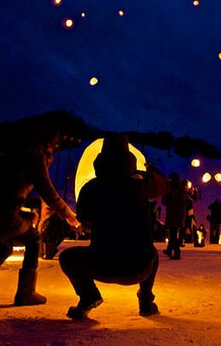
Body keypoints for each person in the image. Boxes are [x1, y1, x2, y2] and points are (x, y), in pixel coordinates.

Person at [0, 117, 78, 306]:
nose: (54, 148)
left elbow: (10, 188)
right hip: (0, 214)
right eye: (54, 144)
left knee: (3, 248)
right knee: (33, 238)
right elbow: (47, 191)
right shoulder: (34, 157)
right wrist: (69, 214)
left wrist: (25, 213)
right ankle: (26, 293)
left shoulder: (15, 153)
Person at [59, 133, 168, 319]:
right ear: (129, 156)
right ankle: (146, 300)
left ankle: (88, 296)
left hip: (100, 265)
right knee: (152, 252)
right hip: (139, 268)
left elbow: (84, 221)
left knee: (68, 257)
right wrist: (149, 171)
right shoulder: (142, 184)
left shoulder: (90, 188)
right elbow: (164, 187)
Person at [161, 172, 186, 260]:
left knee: (173, 234)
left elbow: (165, 201)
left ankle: (177, 251)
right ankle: (169, 249)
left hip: (172, 214)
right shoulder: (181, 189)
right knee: (173, 233)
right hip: (178, 214)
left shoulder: (171, 189)